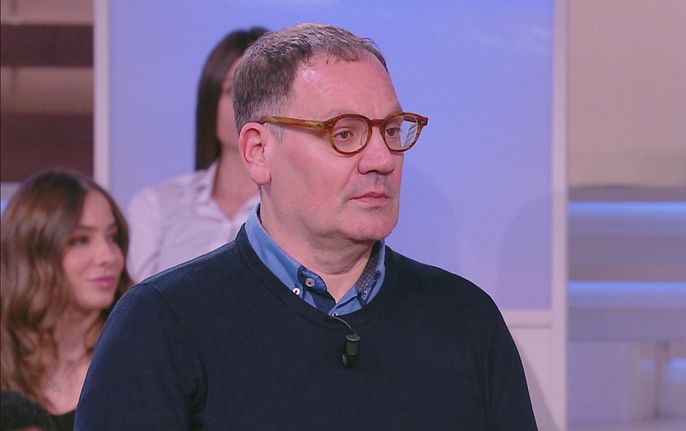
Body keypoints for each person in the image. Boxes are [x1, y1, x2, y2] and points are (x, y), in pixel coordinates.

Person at [75, 23, 538, 430]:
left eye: (392, 130)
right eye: (345, 133)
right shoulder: (159, 324)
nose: (382, 159)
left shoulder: (466, 319)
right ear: (258, 151)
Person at [127, 26, 268, 282]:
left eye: (262, 91)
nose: (249, 105)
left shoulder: (297, 210)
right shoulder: (157, 206)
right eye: (233, 90)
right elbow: (134, 298)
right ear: (209, 101)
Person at [0, 170, 132, 431]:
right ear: (31, 252)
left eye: (112, 237)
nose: (108, 256)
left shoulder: (139, 353)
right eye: (80, 240)